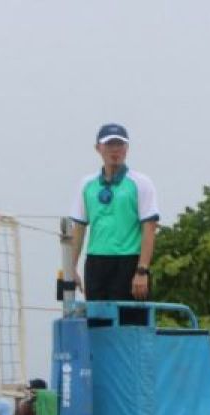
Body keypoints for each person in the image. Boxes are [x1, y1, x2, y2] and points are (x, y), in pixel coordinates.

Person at [68, 123, 159, 315]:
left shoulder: (141, 183)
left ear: (127, 148)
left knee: (131, 324)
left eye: (120, 145)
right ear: (98, 148)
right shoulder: (87, 184)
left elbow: (149, 228)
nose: (115, 150)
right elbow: (79, 228)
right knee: (97, 324)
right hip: (96, 262)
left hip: (129, 262)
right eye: (109, 145)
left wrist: (142, 271)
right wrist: (71, 268)